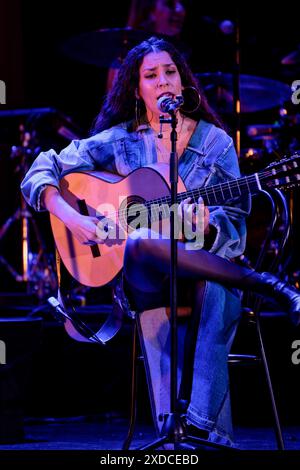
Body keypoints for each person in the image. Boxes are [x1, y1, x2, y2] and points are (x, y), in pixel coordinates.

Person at [21, 36, 300, 447]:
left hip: (208, 274)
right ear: (137, 89)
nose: (163, 81)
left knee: (215, 284)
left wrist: (206, 229)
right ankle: (267, 286)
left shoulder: (215, 144)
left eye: (170, 72)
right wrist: (73, 218)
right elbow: (42, 167)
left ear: (184, 83)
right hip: (146, 281)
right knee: (142, 243)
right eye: (151, 75)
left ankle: (193, 428)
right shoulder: (121, 141)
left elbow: (236, 223)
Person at [106, 0, 188, 90]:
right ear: (149, 11)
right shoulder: (124, 60)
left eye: (182, 3)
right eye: (169, 4)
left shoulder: (180, 56)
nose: (180, 10)